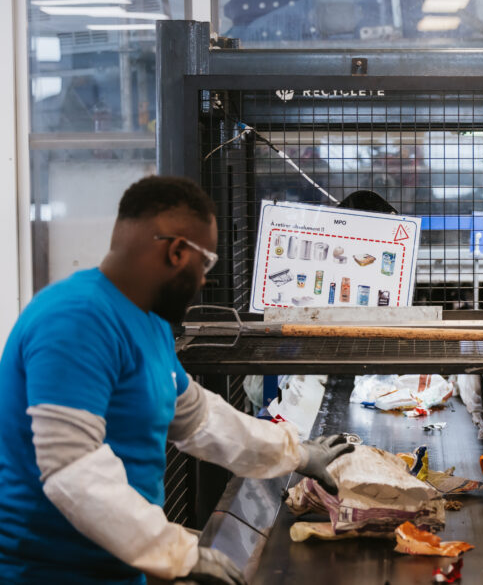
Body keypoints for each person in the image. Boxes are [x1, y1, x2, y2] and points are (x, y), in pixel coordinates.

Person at [0, 176, 354, 585]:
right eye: (205, 265)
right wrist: (179, 553)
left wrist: (298, 455)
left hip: (118, 564)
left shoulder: (147, 322)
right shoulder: (77, 319)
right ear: (177, 252)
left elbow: (200, 418)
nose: (204, 281)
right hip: (49, 572)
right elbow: (71, 468)